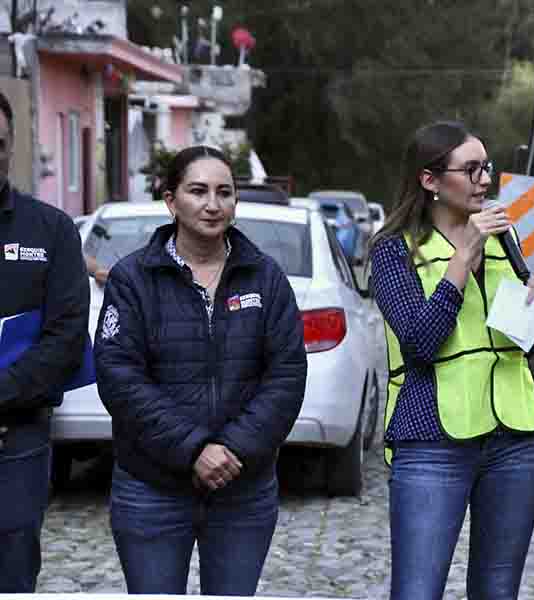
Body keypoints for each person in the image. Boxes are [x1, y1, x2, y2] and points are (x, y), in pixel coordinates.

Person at [94, 145, 307, 596]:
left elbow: (286, 376)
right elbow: (119, 378)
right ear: (171, 201)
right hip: (151, 488)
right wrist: (193, 450)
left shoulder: (266, 278)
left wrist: (231, 448)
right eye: (198, 191)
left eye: (224, 192)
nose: (213, 204)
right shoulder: (132, 280)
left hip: (242, 488)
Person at [369, 121, 534, 600]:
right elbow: (419, 343)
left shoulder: (504, 236)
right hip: (432, 441)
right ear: (429, 180)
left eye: (486, 167)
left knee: (498, 590)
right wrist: (461, 262)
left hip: (516, 437)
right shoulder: (394, 250)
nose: (484, 179)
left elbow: (522, 346)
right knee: (418, 591)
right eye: (470, 169)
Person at [0, 91, 90, 591]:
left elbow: (66, 339)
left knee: (12, 573)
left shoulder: (50, 230)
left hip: (17, 438)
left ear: (10, 147)